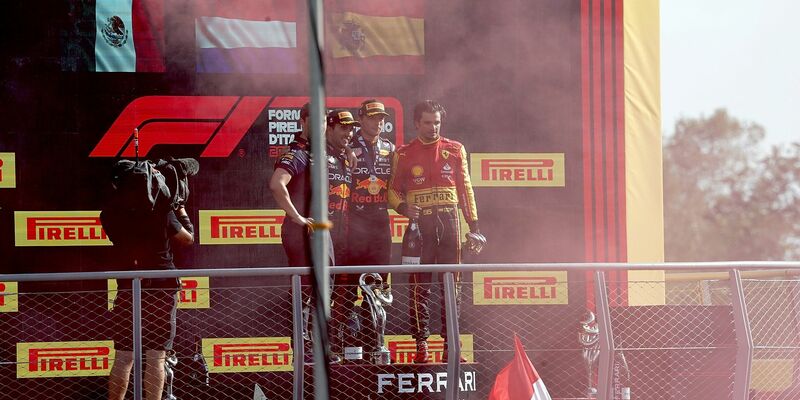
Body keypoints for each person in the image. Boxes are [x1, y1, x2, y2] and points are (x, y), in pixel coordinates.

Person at [387, 100, 485, 363]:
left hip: (450, 223)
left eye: (437, 123)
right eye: (428, 123)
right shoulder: (404, 154)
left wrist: (474, 225)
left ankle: (451, 346)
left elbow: (465, 189)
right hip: (420, 228)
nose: (433, 128)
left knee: (452, 286)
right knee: (419, 287)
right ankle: (421, 346)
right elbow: (392, 191)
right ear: (416, 123)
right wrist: (403, 207)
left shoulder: (455, 149)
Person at [102, 158, 197, 400]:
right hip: (161, 286)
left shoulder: (109, 213)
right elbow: (188, 239)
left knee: (124, 356)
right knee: (156, 355)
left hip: (129, 285)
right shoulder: (161, 209)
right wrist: (179, 207)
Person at [269, 106, 357, 362]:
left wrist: (349, 150)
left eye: (324, 121)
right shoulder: (299, 152)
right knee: (307, 291)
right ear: (303, 121)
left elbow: (339, 145)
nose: (320, 126)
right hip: (305, 232)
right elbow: (276, 184)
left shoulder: (320, 152)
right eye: (315, 120)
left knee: (320, 290)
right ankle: (305, 349)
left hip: (319, 231)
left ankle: (315, 347)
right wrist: (296, 217)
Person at [349, 99, 395, 266]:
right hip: (353, 221)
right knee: (352, 276)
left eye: (381, 118)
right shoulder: (347, 147)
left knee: (380, 275)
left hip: (381, 222)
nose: (378, 122)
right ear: (360, 119)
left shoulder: (390, 148)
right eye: (372, 118)